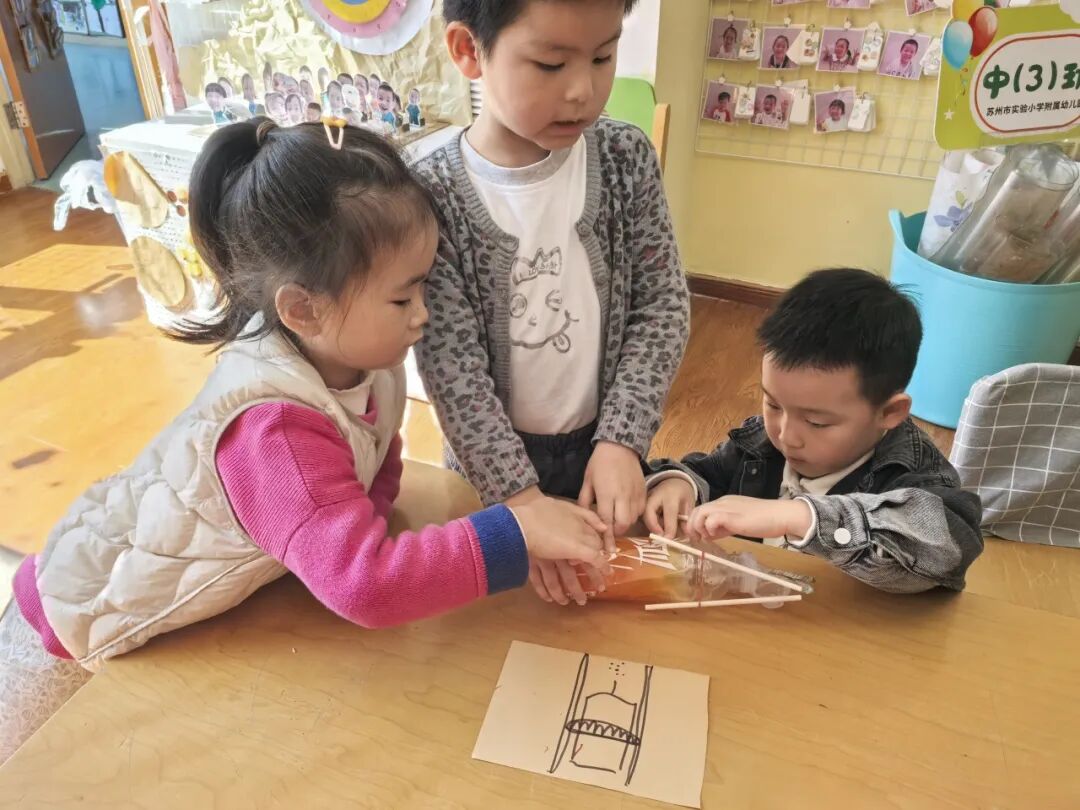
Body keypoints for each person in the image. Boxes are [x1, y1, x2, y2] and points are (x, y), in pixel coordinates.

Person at [0, 119, 611, 765]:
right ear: (303, 309)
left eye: (424, 285)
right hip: (77, 615)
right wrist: (514, 530)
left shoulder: (362, 357)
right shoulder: (276, 433)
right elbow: (367, 588)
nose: (423, 314)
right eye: (402, 297)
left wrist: (346, 529)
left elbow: (377, 453)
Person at [413, 0, 690, 606]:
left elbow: (662, 307)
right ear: (468, 51)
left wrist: (622, 439)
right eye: (549, 64)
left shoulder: (624, 158)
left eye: (603, 56)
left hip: (603, 448)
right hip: (489, 469)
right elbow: (453, 371)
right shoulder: (430, 194)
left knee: (599, 604)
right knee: (500, 621)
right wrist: (519, 503)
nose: (582, 91)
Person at [644, 268, 984, 594]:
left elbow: (947, 549)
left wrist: (801, 517)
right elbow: (707, 474)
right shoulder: (760, 442)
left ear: (889, 412)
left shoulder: (915, 474)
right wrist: (679, 483)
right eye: (773, 404)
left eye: (817, 423)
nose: (786, 435)